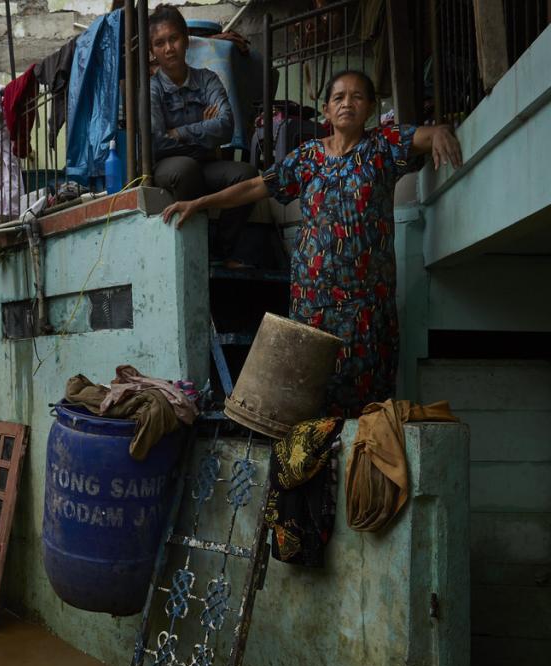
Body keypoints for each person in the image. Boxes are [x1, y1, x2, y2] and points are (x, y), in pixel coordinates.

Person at [162, 70, 463, 417]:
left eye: (357, 97)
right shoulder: (307, 158)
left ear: (369, 109)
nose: (347, 103)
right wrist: (200, 203)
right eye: (339, 97)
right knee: (308, 399)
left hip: (366, 305)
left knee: (367, 404)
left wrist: (440, 131)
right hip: (312, 301)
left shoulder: (383, 147)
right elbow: (255, 187)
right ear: (325, 109)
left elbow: (425, 136)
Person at [148, 4, 266, 268]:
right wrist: (204, 135)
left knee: (247, 175)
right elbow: (157, 141)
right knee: (186, 168)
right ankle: (193, 251)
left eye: (174, 39)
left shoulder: (207, 79)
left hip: (205, 163)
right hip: (171, 166)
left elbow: (226, 125)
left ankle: (220, 252)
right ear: (152, 50)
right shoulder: (153, 90)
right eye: (159, 43)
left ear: (186, 40)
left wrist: (180, 132)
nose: (168, 48)